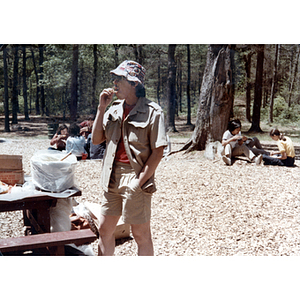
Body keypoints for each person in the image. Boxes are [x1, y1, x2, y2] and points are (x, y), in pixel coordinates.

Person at [92, 60, 168, 256]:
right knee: (104, 229)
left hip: (135, 176)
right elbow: (96, 139)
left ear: (135, 84)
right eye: (114, 79)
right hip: (111, 176)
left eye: (120, 79)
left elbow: (157, 152)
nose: (114, 83)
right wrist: (101, 109)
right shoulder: (114, 108)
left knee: (140, 235)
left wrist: (138, 183)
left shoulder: (153, 112)